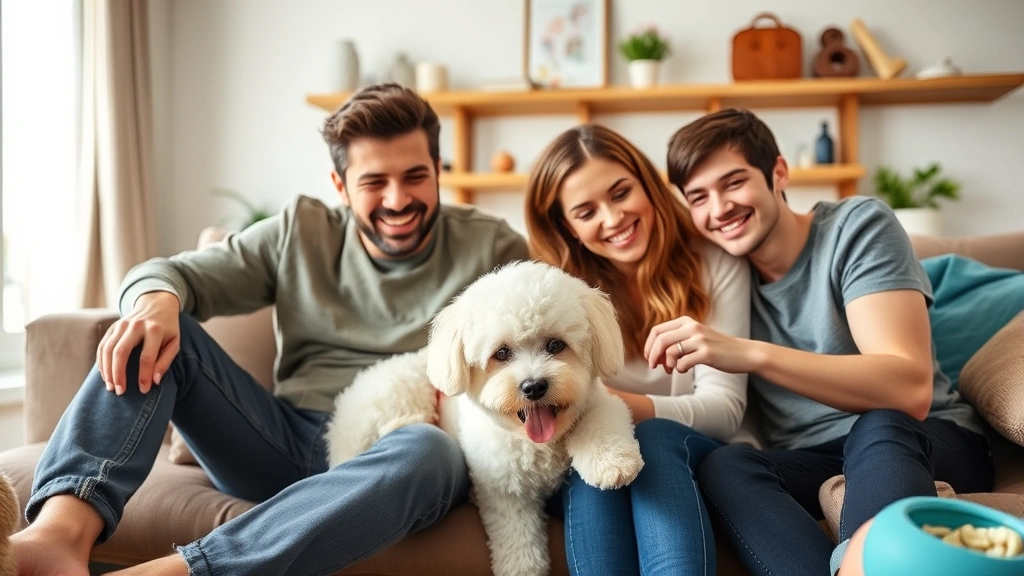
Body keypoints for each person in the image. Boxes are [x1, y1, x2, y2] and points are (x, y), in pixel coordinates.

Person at [10, 83, 529, 576]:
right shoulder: (300, 233)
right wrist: (155, 304)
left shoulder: (493, 249)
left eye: (415, 176)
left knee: (430, 450)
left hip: (405, 450)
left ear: (437, 170)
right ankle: (57, 538)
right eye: (374, 182)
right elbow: (168, 274)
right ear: (340, 186)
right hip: (283, 442)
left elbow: (536, 351)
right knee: (157, 327)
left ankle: (183, 570)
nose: (397, 200)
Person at [663, 108, 993, 576]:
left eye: (733, 183)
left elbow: (909, 389)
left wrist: (752, 353)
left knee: (881, 422)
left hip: (922, 436)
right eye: (698, 198)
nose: (718, 209)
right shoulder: (718, 276)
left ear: (778, 172)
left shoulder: (856, 227)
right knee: (726, 465)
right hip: (813, 455)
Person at [524, 124, 753, 576]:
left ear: (648, 186)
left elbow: (726, 409)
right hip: (592, 457)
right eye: (586, 211)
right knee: (598, 456)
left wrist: (608, 405)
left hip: (695, 450)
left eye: (621, 193)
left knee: (637, 434)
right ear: (566, 227)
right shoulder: (555, 293)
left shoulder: (715, 263)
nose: (612, 219)